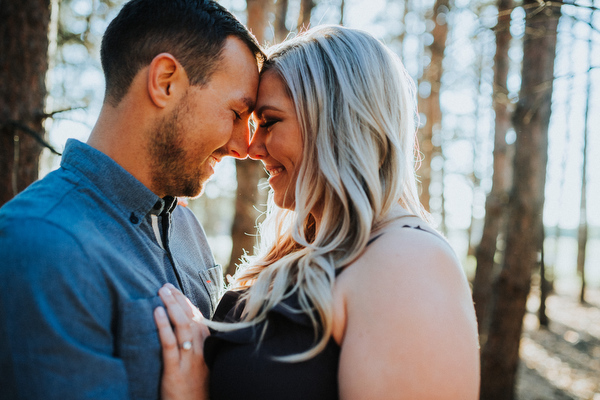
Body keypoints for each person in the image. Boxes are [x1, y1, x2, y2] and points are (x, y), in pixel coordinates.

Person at [154, 25, 480, 399]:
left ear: (339, 124)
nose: (252, 147)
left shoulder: (408, 261)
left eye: (270, 121)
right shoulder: (301, 252)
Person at [0, 0, 262, 398]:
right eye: (237, 112)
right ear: (165, 82)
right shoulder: (41, 246)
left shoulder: (185, 227)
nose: (245, 146)